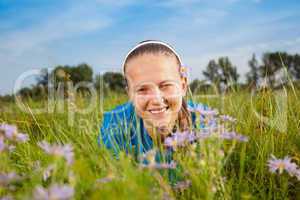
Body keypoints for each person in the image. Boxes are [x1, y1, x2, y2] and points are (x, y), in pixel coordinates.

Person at [98, 40, 207, 162]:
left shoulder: (203, 118)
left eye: (165, 85)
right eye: (142, 89)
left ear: (183, 86)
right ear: (130, 94)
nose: (156, 99)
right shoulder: (115, 123)